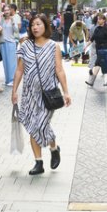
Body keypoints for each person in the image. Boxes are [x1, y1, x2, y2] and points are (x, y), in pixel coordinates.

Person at [11, 14, 71, 176]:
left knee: (40, 124)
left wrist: (66, 92)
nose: (35, 27)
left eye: (38, 24)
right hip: (29, 94)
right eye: (32, 25)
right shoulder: (25, 46)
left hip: (48, 94)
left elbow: (59, 70)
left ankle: (53, 147)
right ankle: (38, 162)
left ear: (45, 26)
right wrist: (14, 90)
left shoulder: (53, 46)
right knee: (32, 126)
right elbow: (19, 70)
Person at [85, 13, 107, 88]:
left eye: (100, 19)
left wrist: (106, 48)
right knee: (102, 65)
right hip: (99, 50)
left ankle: (92, 81)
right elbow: (92, 39)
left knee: (100, 64)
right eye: (98, 19)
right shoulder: (97, 29)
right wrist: (86, 46)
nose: (98, 20)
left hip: (105, 50)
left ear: (104, 20)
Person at [0, 5, 18, 86]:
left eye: (8, 10)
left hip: (11, 42)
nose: (6, 11)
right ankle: (7, 80)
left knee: (12, 62)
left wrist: (13, 21)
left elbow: (16, 30)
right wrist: (0, 19)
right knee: (5, 62)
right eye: (5, 10)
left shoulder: (13, 19)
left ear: (10, 11)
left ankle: (12, 80)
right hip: (3, 42)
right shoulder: (2, 20)